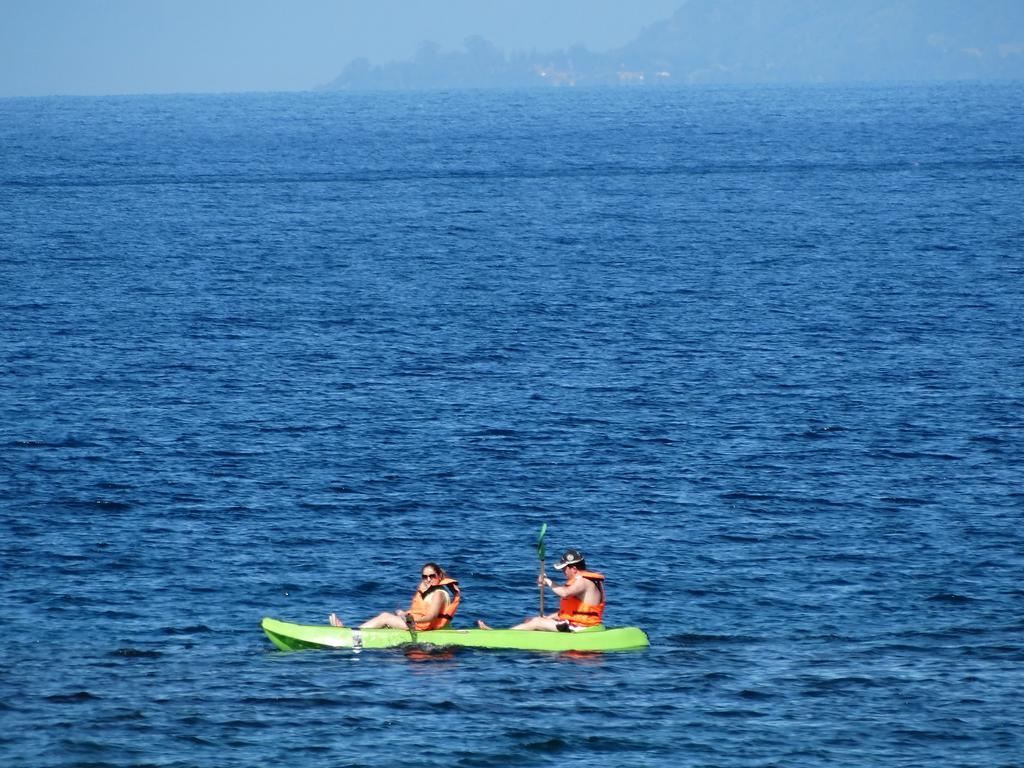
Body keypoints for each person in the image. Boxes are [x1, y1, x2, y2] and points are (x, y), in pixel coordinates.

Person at [476, 548, 605, 632]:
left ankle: (499, 634)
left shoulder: (583, 582)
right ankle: (512, 632)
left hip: (583, 628)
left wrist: (548, 581)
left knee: (537, 622)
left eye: (564, 569)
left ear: (574, 568)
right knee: (533, 620)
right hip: (575, 624)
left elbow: (565, 593)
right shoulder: (580, 581)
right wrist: (547, 617)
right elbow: (567, 612)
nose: (562, 572)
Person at [329, 562, 461, 630]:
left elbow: (431, 616)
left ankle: (351, 632)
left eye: (431, 576)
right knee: (391, 617)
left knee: (385, 617)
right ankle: (359, 631)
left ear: (438, 576)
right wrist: (404, 614)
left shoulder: (438, 594)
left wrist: (410, 620)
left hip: (423, 628)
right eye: (424, 577)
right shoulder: (433, 592)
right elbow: (421, 612)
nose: (427, 579)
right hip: (422, 626)